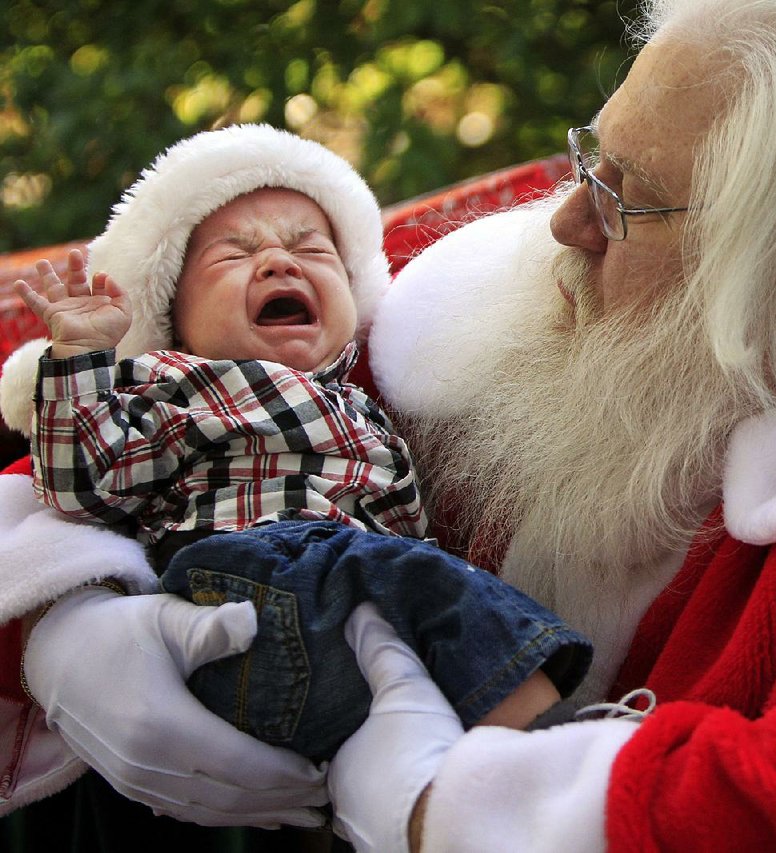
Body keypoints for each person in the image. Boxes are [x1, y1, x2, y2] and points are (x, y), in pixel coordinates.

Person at [1, 0, 776, 847]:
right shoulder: (478, 305)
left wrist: (430, 805)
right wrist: (64, 627)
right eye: (592, 158)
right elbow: (94, 456)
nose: (565, 220)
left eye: (628, 196)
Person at [5, 123, 590, 772]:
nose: (279, 262)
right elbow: (81, 483)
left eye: (311, 249)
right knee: (431, 586)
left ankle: (507, 767)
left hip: (343, 605)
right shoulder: (172, 384)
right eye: (232, 255)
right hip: (240, 581)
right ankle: (556, 749)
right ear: (177, 322)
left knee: (436, 592)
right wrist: (83, 358)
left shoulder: (369, 402)